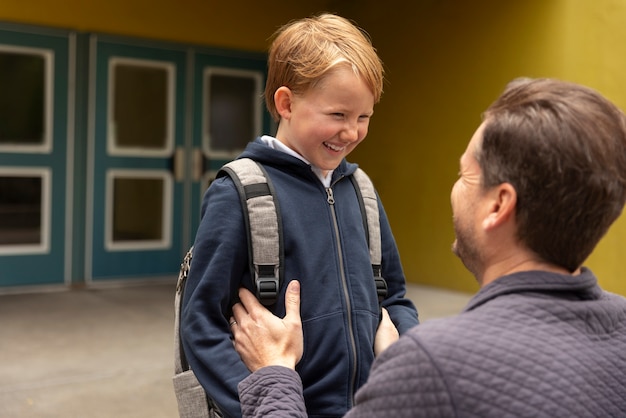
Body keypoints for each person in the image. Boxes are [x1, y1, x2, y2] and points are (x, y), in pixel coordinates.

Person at [230, 77, 626, 417]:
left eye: (464, 174)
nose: (455, 189)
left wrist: (274, 375)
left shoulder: (433, 367)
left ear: (499, 205)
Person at [180, 13, 419, 418]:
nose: (352, 133)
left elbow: (394, 296)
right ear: (286, 103)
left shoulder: (361, 190)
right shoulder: (239, 193)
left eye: (364, 118)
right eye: (338, 115)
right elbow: (202, 324)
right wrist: (259, 404)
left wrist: (404, 366)